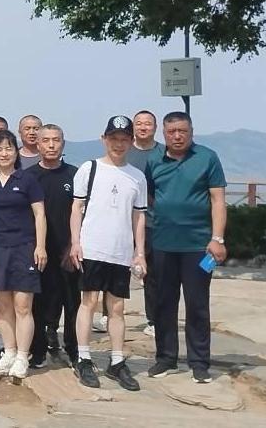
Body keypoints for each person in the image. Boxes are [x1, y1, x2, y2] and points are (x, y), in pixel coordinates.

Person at [146, 111, 226, 384]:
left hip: (199, 246)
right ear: (164, 134)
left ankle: (199, 363)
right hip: (162, 243)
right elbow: (149, 195)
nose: (177, 136)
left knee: (197, 304)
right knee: (163, 303)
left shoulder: (207, 157)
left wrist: (218, 238)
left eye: (183, 131)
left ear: (191, 132)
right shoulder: (154, 160)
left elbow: (217, 200)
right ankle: (165, 358)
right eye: (172, 132)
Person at [70, 115, 148, 391]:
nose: (118, 144)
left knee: (116, 307)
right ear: (104, 139)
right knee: (88, 302)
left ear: (131, 142)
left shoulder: (137, 177)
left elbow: (139, 216)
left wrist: (140, 252)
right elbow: (76, 208)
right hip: (92, 247)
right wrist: (75, 242)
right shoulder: (89, 169)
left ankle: (116, 361)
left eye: (124, 139)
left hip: (120, 251)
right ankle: (83, 357)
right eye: (113, 138)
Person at [0, 129, 47, 380]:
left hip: (24, 247)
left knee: (23, 306)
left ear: (16, 152)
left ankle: (22, 357)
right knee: (4, 306)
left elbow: (39, 214)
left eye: (8, 148)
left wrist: (40, 246)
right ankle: (9, 353)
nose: (4, 153)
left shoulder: (27, 179)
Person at [27, 123, 80, 368]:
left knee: (72, 303)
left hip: (68, 250)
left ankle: (74, 350)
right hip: (38, 250)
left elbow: (83, 212)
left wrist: (74, 244)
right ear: (37, 144)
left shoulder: (75, 175)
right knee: (37, 303)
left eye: (56, 140)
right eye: (46, 140)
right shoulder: (28, 177)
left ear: (63, 144)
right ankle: (37, 350)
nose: (51, 145)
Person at [127, 109, 162, 337]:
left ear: (155, 128)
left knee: (153, 274)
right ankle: (109, 315)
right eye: (138, 123)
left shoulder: (163, 153)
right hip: (122, 222)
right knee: (116, 271)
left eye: (147, 123)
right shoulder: (124, 151)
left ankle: (154, 319)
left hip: (152, 222)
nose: (143, 127)